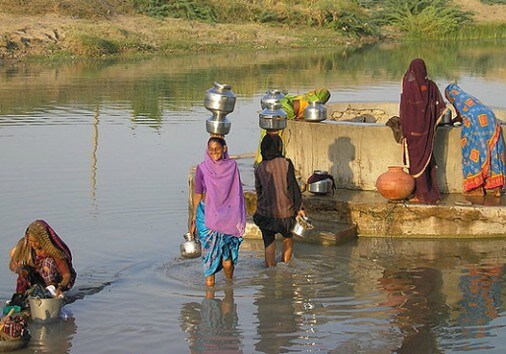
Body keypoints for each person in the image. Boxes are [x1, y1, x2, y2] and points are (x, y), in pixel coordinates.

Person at [190, 137, 246, 287]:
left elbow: (236, 193)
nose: (214, 152)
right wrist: (194, 218)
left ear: (224, 149)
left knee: (223, 258)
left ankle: (223, 291)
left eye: (217, 149)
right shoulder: (202, 168)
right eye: (211, 150)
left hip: (225, 218)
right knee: (211, 258)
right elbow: (198, 194)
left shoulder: (232, 167)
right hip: (210, 217)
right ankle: (227, 292)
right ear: (207, 151)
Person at [445, 83, 506, 197]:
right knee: (494, 153)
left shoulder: (457, 100)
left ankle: (477, 188)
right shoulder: (468, 98)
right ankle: (497, 189)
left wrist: (451, 122)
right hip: (491, 120)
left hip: (476, 122)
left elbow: (461, 115)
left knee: (473, 151)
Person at [253, 134, 305, 267]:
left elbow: (259, 191)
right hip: (285, 213)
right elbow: (293, 188)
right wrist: (299, 208)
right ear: (279, 148)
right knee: (288, 237)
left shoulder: (259, 167)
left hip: (265, 214)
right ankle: (285, 265)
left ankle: (270, 269)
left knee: (269, 243)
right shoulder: (286, 164)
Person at [400, 58, 447, 204]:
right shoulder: (431, 86)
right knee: (426, 161)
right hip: (426, 133)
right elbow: (440, 109)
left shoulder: (409, 84)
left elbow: (405, 109)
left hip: (412, 133)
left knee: (415, 163)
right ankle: (429, 192)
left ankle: (421, 194)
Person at [254, 88, 331, 166]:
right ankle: (267, 162)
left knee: (266, 139)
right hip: (285, 112)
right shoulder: (310, 104)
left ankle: (260, 163)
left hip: (281, 109)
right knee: (273, 140)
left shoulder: (303, 98)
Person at [9, 220, 76, 298]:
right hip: (36, 279)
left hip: (56, 282)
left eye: (36, 241)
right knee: (24, 267)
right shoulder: (25, 246)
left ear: (42, 240)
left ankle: (51, 291)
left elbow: (67, 275)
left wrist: (61, 287)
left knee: (47, 262)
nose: (33, 244)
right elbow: (12, 264)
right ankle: (22, 296)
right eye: (31, 241)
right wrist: (19, 269)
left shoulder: (53, 251)